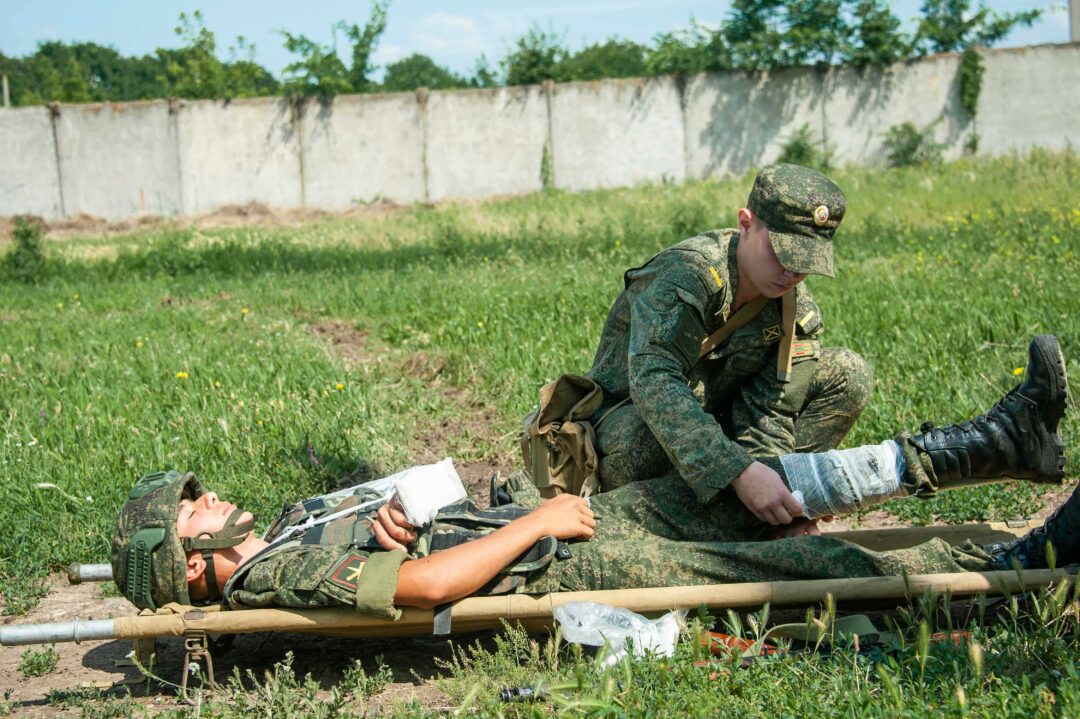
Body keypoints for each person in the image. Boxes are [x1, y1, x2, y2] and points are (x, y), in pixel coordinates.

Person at [111, 336, 1073, 618]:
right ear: (189, 563)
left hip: (550, 522)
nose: (210, 498)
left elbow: (399, 548)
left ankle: (985, 442)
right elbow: (432, 587)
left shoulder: (282, 532)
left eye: (197, 492)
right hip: (558, 559)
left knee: (751, 486)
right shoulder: (271, 575)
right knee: (792, 569)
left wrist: (387, 519)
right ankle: (1020, 571)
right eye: (194, 508)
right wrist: (539, 525)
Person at [559, 164, 873, 531]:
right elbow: (653, 382)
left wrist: (775, 491)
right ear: (745, 224)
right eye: (782, 253)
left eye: (805, 261)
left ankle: (756, 516)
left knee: (847, 374)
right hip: (629, 426)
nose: (792, 273)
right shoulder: (687, 275)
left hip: (719, 427)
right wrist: (737, 470)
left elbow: (770, 413)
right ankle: (657, 515)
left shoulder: (795, 312)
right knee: (644, 441)